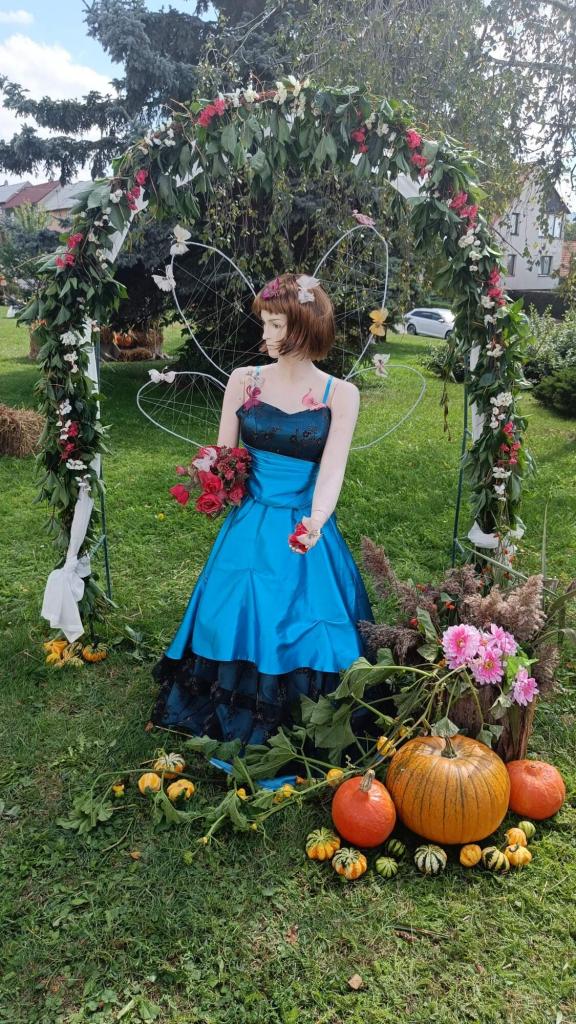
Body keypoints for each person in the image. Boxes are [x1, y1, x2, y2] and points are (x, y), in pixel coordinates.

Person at [149, 272, 374, 745]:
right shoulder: (244, 380)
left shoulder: (340, 394)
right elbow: (224, 453)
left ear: (305, 326)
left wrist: (316, 519)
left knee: (307, 615)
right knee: (234, 606)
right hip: (249, 521)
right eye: (265, 324)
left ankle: (300, 705)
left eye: (276, 325)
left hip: (303, 523)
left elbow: (333, 468)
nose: (266, 335)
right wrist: (211, 478)